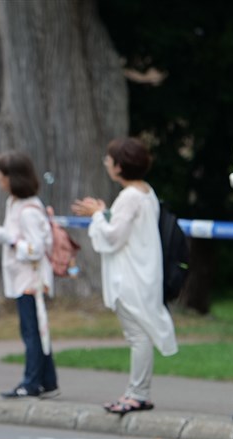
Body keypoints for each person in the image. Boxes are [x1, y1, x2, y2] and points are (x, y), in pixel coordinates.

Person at [72, 137, 178, 413]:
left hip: (131, 276)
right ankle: (137, 391)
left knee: (137, 335)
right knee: (140, 334)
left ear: (119, 166)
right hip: (143, 272)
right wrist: (103, 212)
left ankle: (137, 394)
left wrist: (97, 216)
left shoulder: (130, 196)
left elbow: (113, 237)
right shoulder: (145, 192)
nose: (106, 163)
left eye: (109, 159)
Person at [0, 151, 59, 399]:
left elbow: (36, 249)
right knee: (35, 330)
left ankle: (31, 383)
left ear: (11, 177)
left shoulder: (28, 210)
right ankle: (48, 382)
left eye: (1, 174)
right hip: (22, 278)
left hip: (32, 279)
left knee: (32, 332)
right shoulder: (15, 203)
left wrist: (9, 239)